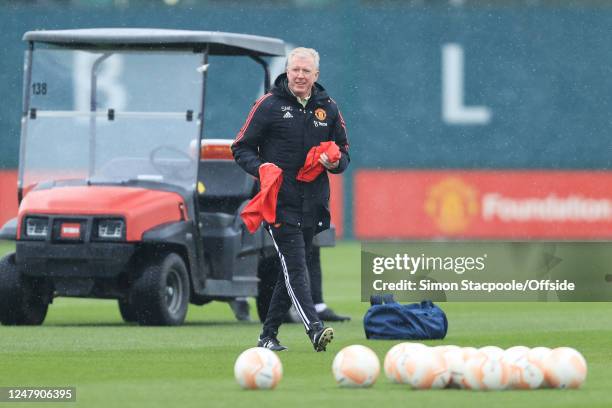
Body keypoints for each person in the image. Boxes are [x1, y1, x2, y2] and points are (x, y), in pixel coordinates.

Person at [231, 47, 350, 352]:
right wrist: (261, 168)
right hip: (278, 202)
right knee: (297, 267)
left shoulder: (329, 108)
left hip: (312, 203)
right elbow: (240, 147)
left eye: (305, 71)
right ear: (286, 71)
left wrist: (334, 162)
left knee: (290, 271)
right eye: (294, 69)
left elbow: (344, 153)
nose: (299, 75)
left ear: (316, 76)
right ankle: (314, 329)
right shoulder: (268, 105)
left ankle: (267, 336)